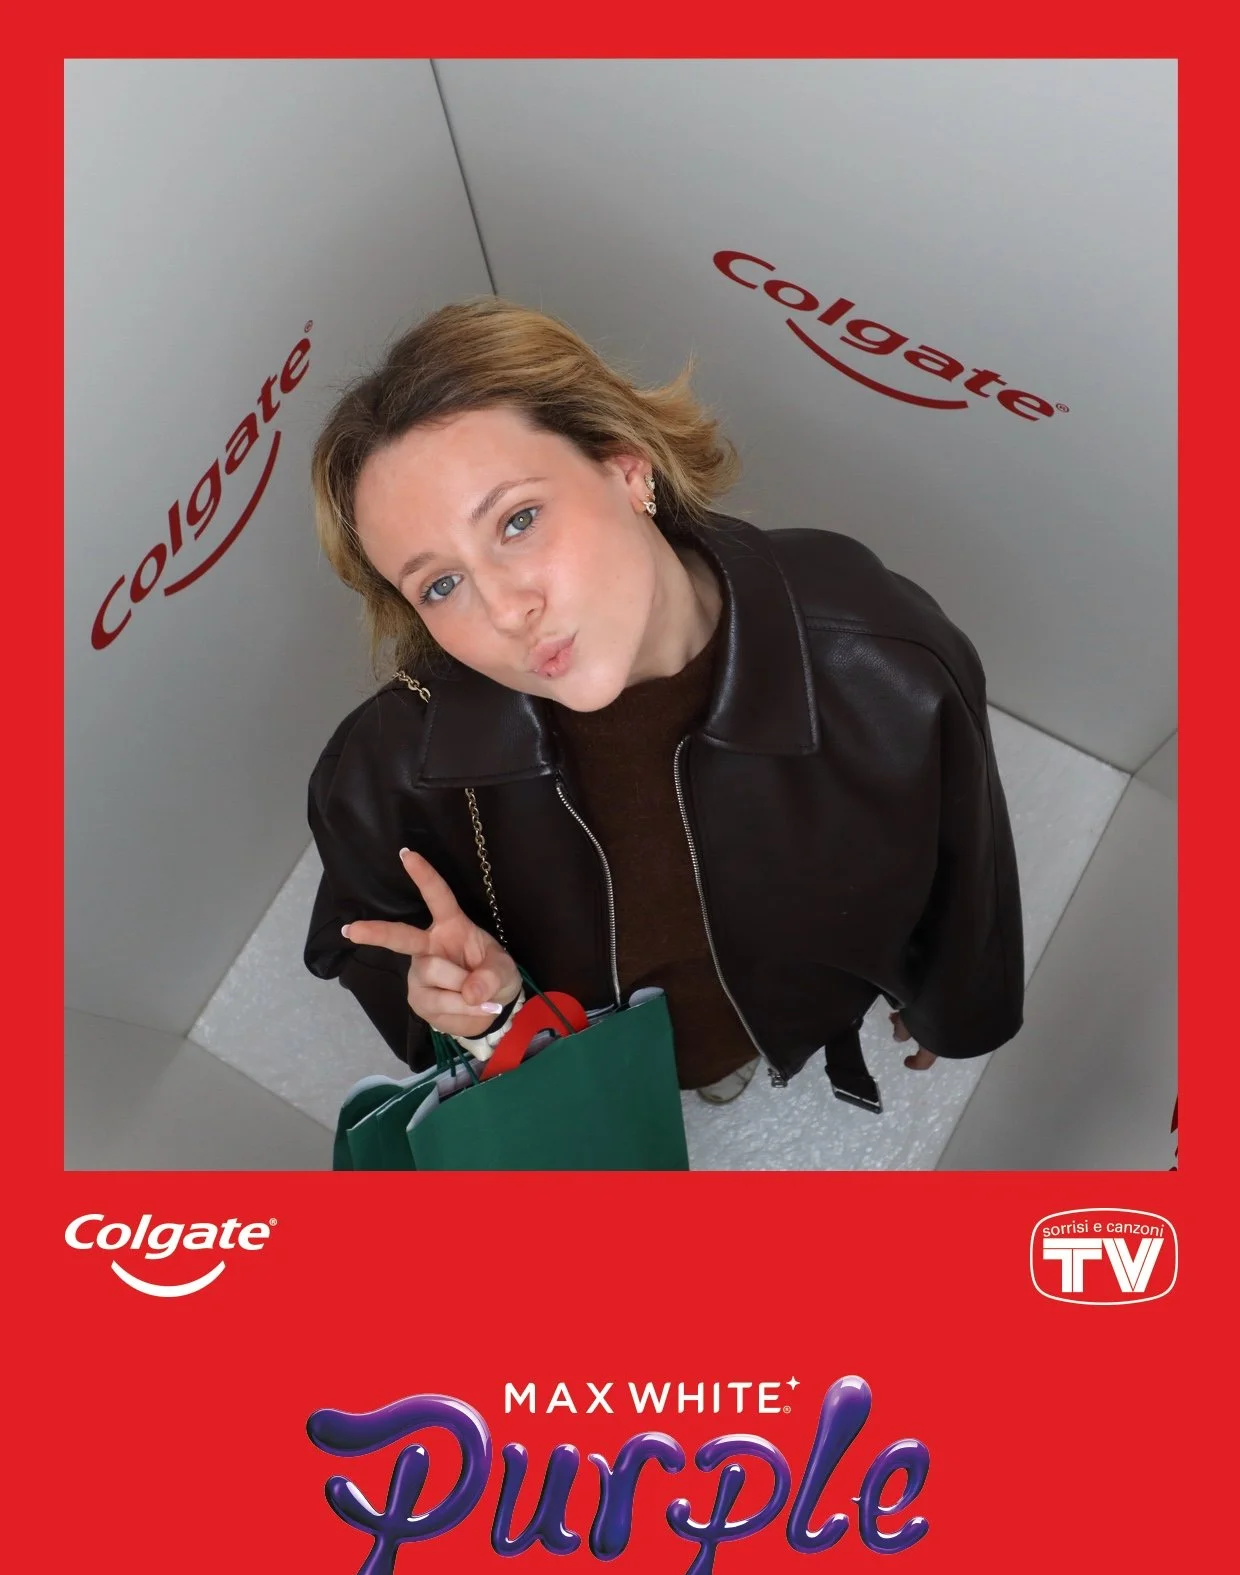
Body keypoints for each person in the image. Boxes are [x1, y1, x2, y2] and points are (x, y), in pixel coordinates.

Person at [304, 296, 1024, 1116]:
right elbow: (364, 940)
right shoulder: (388, 765)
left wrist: (954, 1009)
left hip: (793, 1011)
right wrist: (476, 1012)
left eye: (518, 520)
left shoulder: (882, 659)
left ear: (626, 468)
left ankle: (735, 1053)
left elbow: (964, 854)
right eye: (440, 584)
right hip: (603, 1061)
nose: (504, 610)